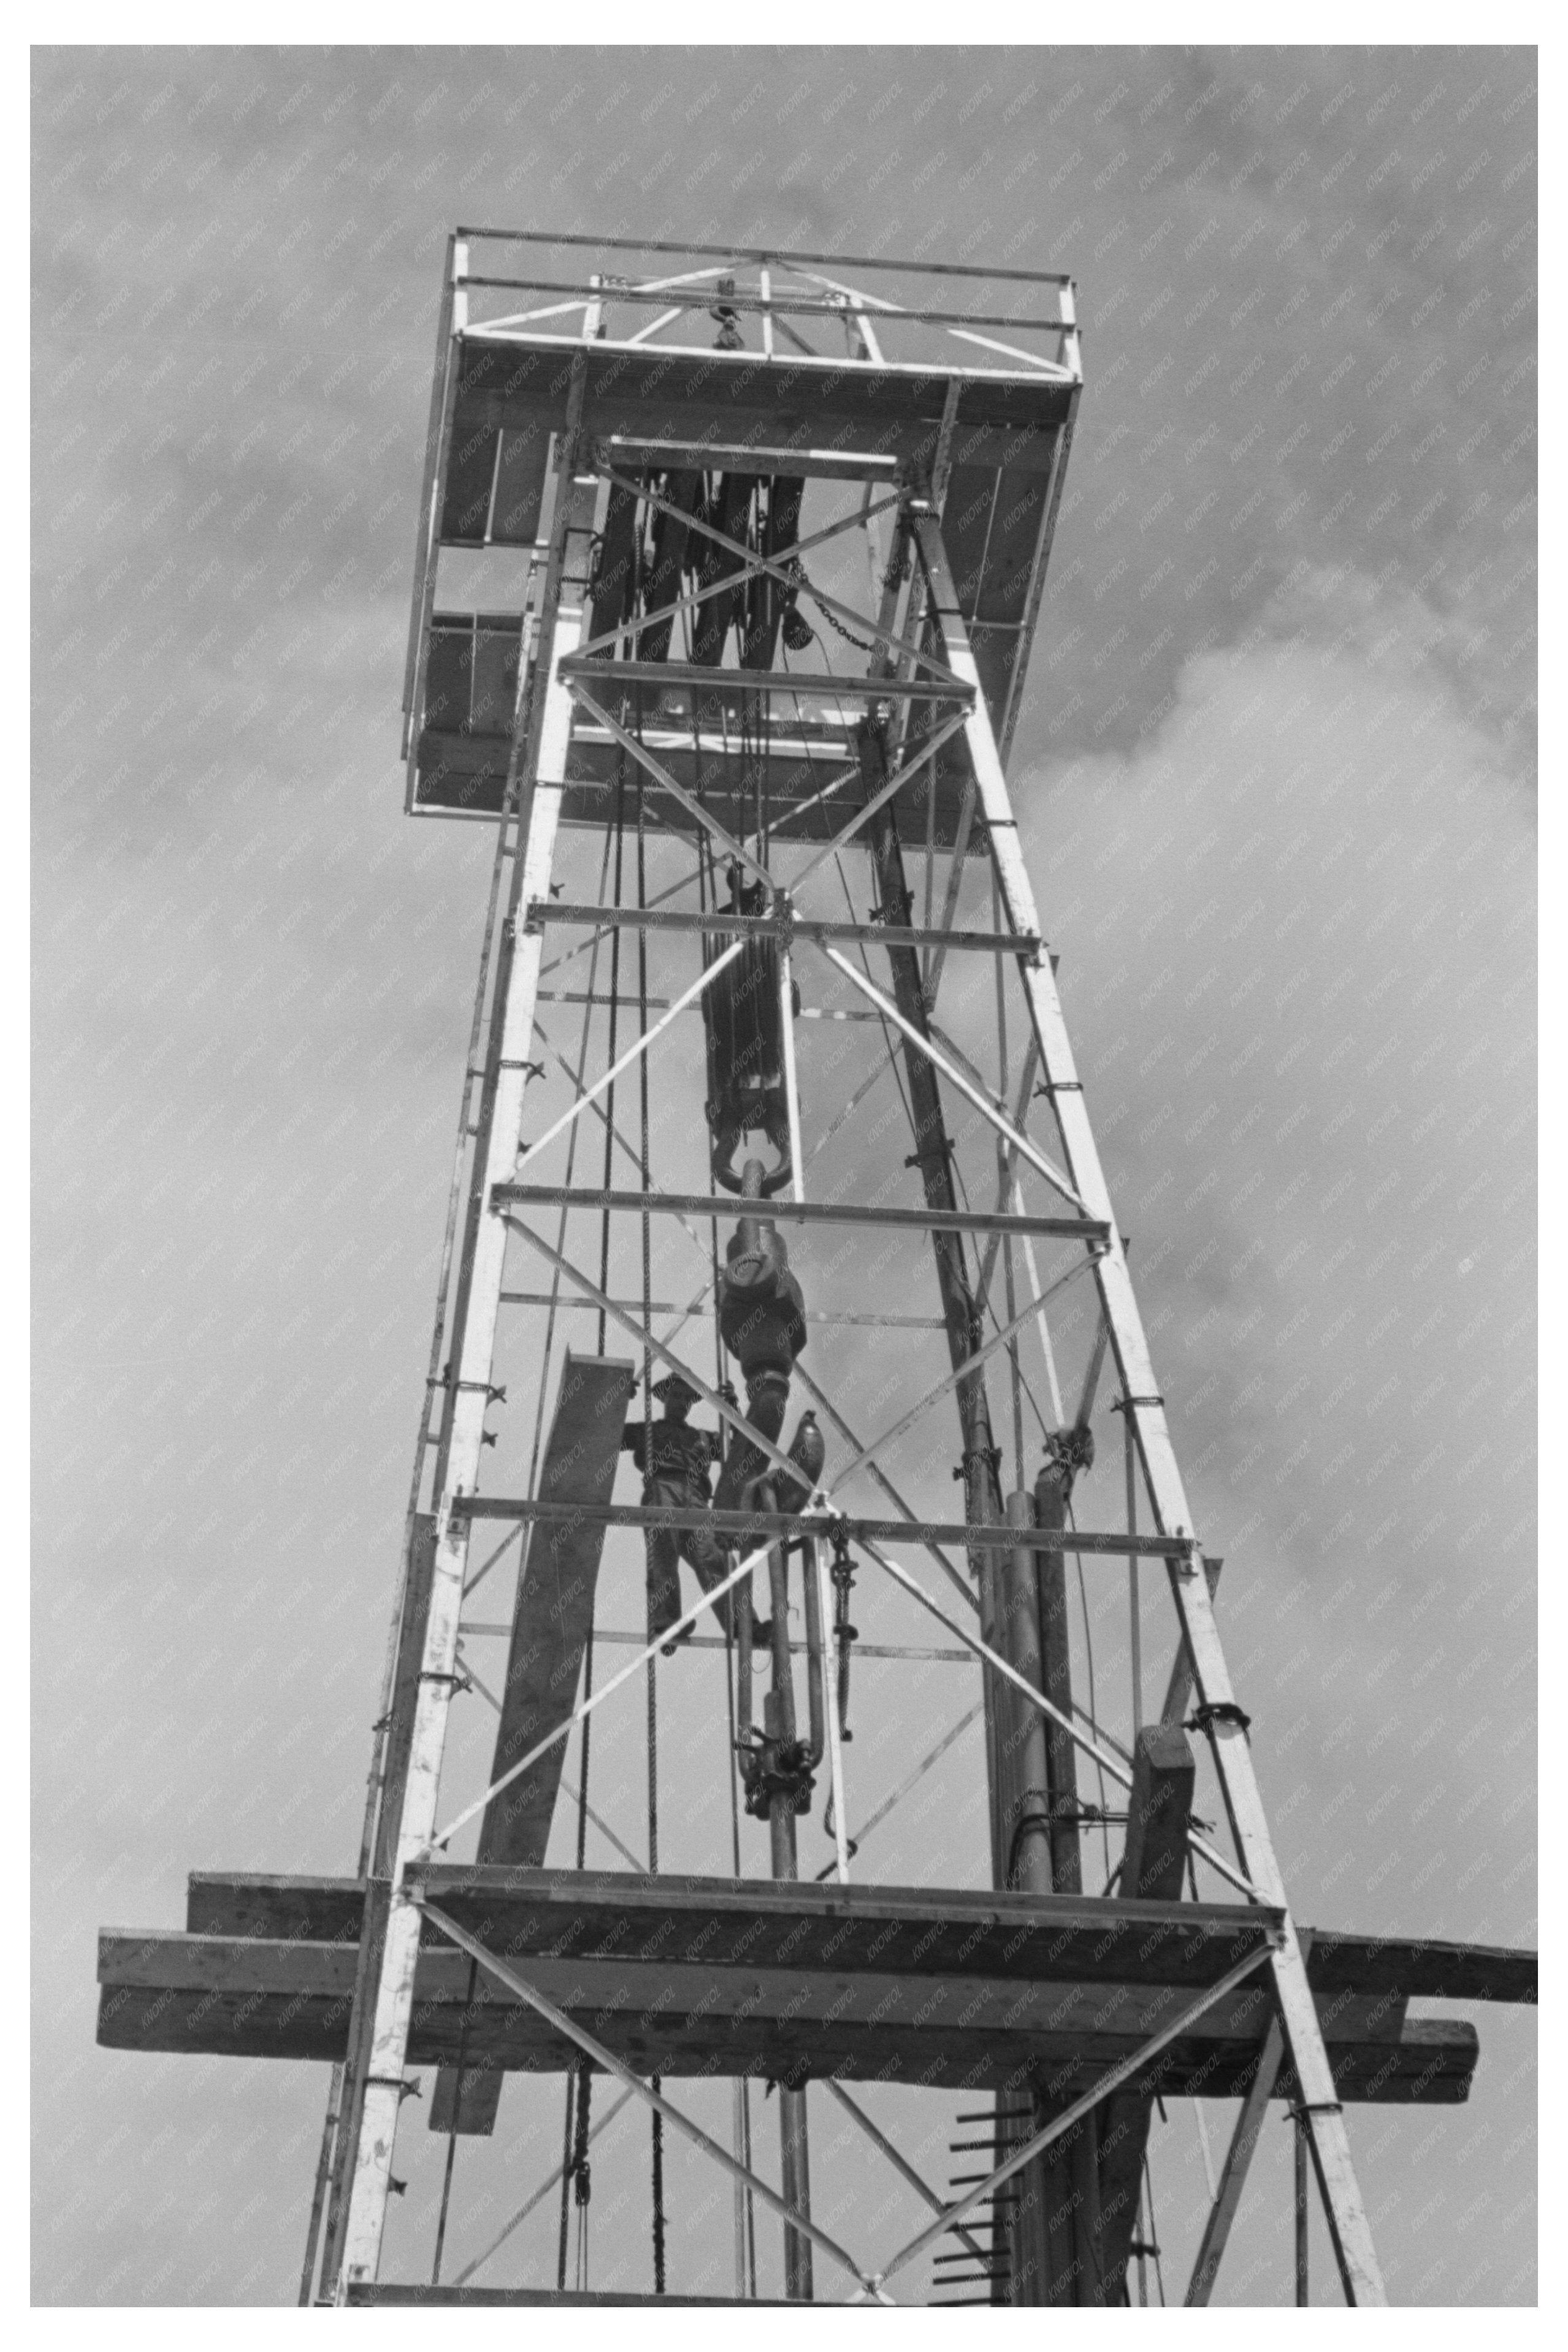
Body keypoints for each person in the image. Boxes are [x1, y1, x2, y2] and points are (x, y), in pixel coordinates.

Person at [623, 1372, 756, 1654]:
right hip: (663, 1487)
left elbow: (746, 1448)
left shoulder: (704, 1439)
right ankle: (666, 1622)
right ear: (664, 1399)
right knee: (663, 1552)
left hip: (696, 1497)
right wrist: (618, 1397)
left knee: (714, 1556)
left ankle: (743, 1623)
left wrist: (733, 1412)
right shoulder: (647, 1431)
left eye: (687, 1399)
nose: (682, 1403)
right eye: (677, 1396)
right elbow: (610, 1435)